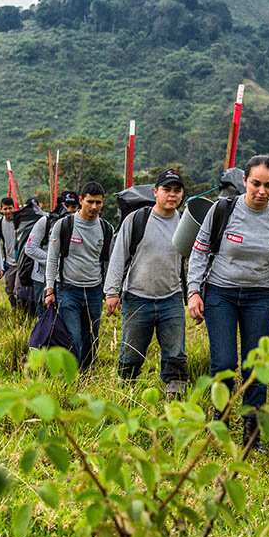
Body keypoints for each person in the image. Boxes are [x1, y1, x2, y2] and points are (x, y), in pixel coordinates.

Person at [187, 156, 269, 450]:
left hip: (261, 297)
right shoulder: (223, 210)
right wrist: (194, 292)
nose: (262, 191)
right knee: (224, 363)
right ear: (244, 182)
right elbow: (199, 253)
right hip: (220, 294)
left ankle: (252, 438)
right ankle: (220, 426)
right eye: (255, 184)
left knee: (256, 369)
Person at [104, 168, 188, 396]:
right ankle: (125, 394)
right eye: (166, 189)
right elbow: (118, 255)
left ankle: (176, 398)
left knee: (176, 354)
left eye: (177, 190)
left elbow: (193, 260)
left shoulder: (184, 223)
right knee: (131, 353)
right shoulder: (137, 219)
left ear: (182, 195)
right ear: (155, 192)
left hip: (171, 299)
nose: (172, 195)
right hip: (137, 298)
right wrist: (112, 292)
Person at [44, 183, 112, 371]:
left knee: (91, 336)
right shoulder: (64, 225)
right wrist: (50, 289)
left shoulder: (106, 229)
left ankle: (87, 373)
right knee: (73, 337)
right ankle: (71, 376)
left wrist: (112, 290)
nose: (94, 207)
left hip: (94, 291)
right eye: (90, 201)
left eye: (98, 202)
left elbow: (108, 262)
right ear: (81, 200)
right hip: (68, 290)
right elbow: (52, 258)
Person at [24, 190, 79, 315]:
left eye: (74, 207)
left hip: (67, 279)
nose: (70, 210)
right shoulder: (46, 221)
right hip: (41, 277)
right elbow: (30, 248)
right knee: (44, 315)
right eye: (67, 206)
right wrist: (53, 260)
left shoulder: (79, 226)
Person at [0, 197, 19, 307]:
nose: (8, 211)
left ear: (14, 208)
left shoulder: (20, 221)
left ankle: (22, 313)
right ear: (1, 209)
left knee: (18, 291)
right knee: (9, 290)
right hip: (9, 263)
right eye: (5, 209)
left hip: (21, 263)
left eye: (10, 208)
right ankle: (15, 311)